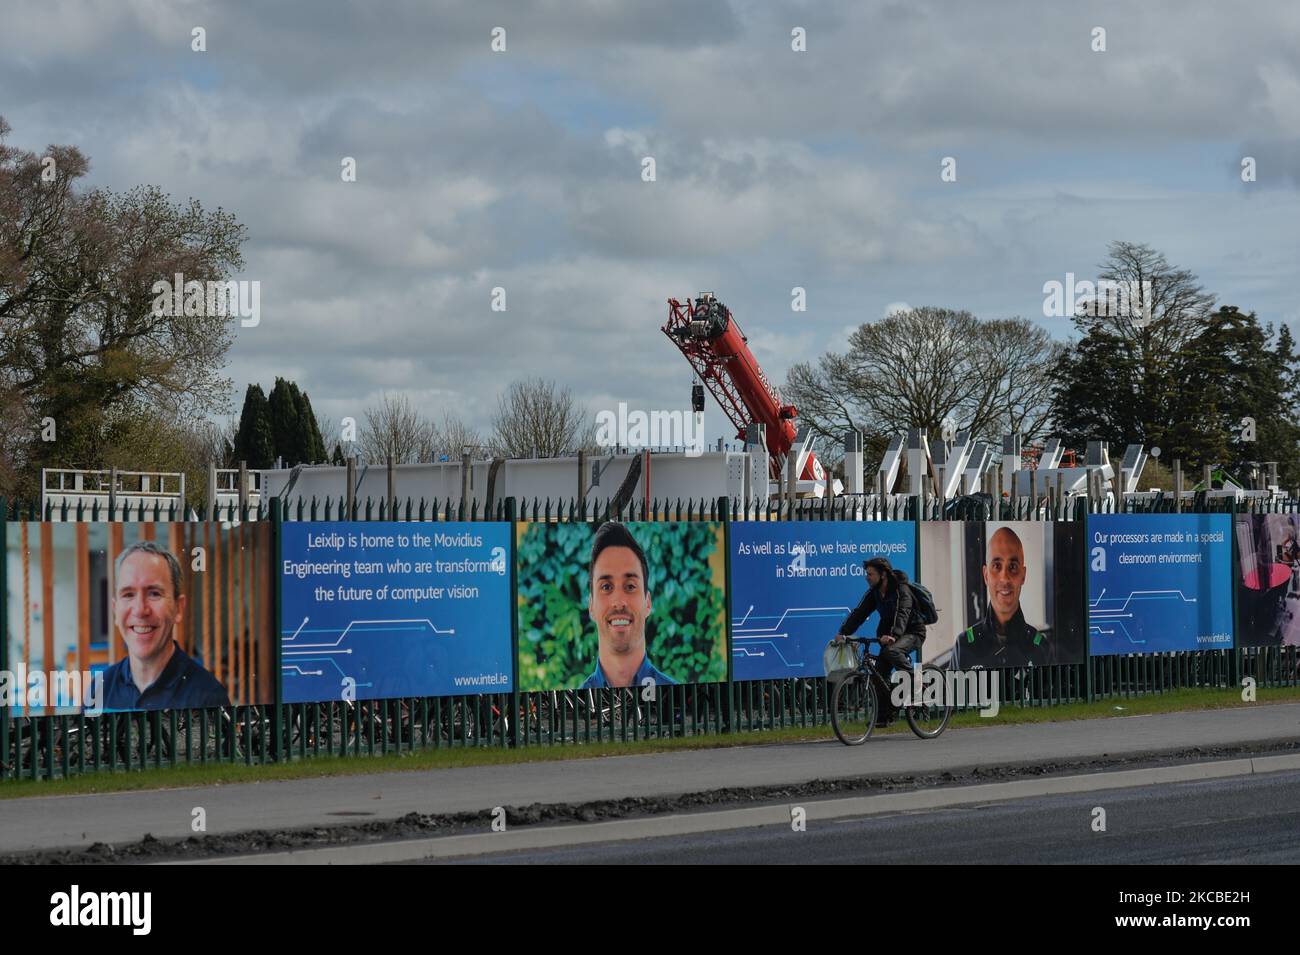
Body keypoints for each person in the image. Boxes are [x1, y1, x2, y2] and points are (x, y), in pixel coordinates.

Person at [101, 540, 232, 710]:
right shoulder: (99, 689)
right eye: (128, 594)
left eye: (154, 593)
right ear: (115, 610)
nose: (140, 610)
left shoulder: (208, 697)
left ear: (178, 608)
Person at [579, 522, 676, 689]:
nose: (618, 602)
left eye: (630, 586)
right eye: (606, 587)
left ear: (648, 603)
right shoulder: (573, 708)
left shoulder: (676, 699)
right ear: (591, 606)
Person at [835, 556, 926, 725]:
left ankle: (915, 682)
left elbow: (902, 613)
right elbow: (859, 613)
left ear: (882, 575)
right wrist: (843, 633)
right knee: (879, 675)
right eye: (866, 573)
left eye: (870, 574)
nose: (866, 577)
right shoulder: (874, 593)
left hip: (912, 632)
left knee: (893, 651)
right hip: (888, 636)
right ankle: (885, 716)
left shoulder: (901, 590)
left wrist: (894, 635)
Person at [955, 526, 1054, 668]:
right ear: (986, 575)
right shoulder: (963, 648)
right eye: (996, 566)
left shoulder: (1042, 649)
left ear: (1023, 575)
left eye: (1013, 566)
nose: (1005, 578)